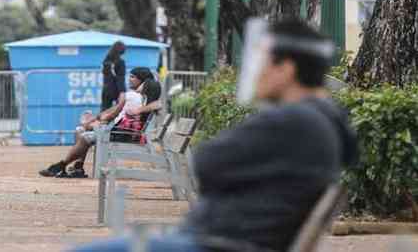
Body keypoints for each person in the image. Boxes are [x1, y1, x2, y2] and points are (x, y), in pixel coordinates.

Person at [72, 19, 358, 252]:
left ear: (286, 69)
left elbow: (206, 164)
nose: (253, 73)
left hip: (219, 243)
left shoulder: (292, 119)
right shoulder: (325, 120)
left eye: (261, 64)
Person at [40, 67, 162, 179]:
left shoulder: (132, 96)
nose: (129, 80)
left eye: (132, 77)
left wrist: (98, 122)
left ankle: (62, 165)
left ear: (142, 81)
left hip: (122, 133)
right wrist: (98, 121)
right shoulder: (144, 98)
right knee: (83, 132)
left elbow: (112, 115)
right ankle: (76, 168)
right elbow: (115, 114)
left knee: (84, 135)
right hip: (124, 131)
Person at [101, 41, 127, 110]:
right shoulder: (120, 62)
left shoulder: (106, 61)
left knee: (104, 112)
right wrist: (122, 92)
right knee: (120, 112)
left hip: (106, 90)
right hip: (116, 90)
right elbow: (120, 78)